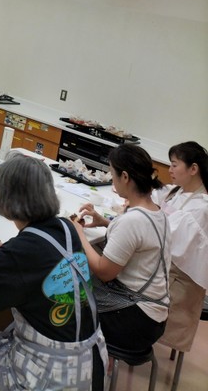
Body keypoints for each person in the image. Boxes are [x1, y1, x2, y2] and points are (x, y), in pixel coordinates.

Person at [0, 152, 107, 391]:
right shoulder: (66, 228)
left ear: (5, 200)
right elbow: (37, 263)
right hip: (91, 365)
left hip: (50, 378)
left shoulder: (20, 253)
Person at [73, 143, 171, 391]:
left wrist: (79, 234)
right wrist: (104, 222)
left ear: (125, 177)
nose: (111, 178)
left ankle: (76, 371)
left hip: (134, 321)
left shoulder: (132, 220)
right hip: (155, 317)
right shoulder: (156, 212)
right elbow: (138, 238)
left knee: (68, 283)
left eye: (112, 173)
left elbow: (104, 272)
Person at [154, 141, 208, 352]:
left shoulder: (201, 208)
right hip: (164, 266)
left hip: (177, 279)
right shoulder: (177, 191)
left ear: (193, 169)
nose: (170, 170)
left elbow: (167, 238)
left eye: (174, 165)